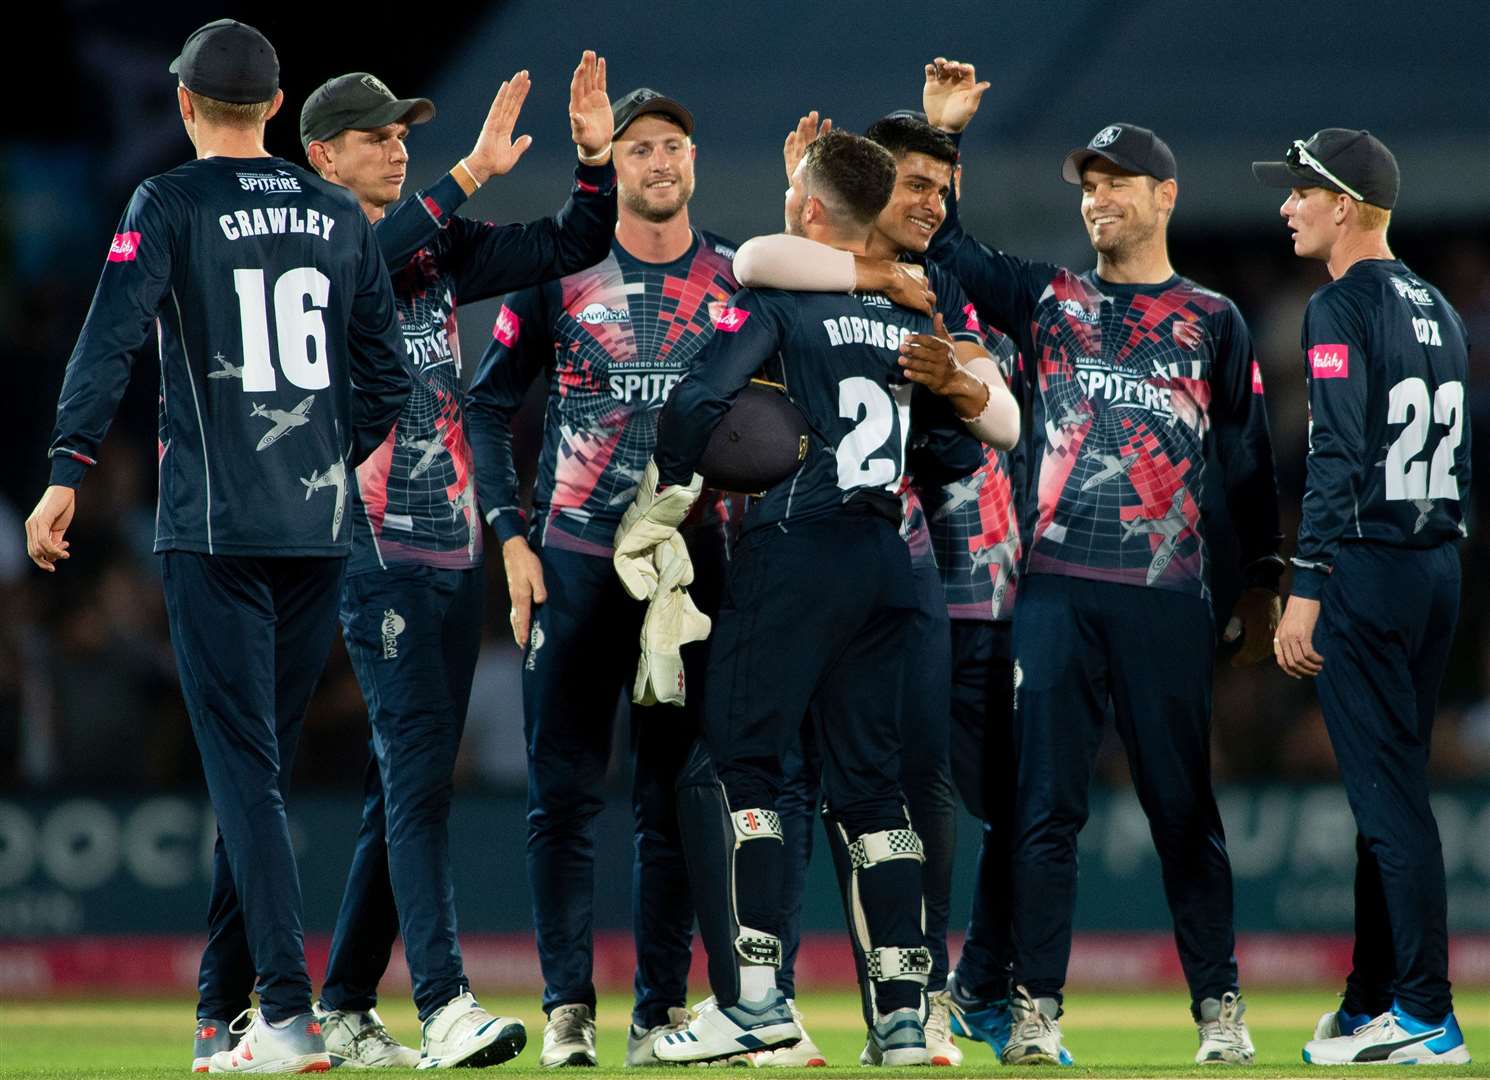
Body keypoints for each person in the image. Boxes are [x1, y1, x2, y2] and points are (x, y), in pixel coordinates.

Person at [22, 19, 411, 1075]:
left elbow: (107, 339)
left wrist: (66, 469)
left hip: (214, 532)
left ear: (188, 106)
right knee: (263, 770)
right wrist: (325, 459)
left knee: (244, 776)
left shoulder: (170, 202)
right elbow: (387, 382)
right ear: (279, 107)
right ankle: (219, 1009)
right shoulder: (336, 212)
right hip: (316, 528)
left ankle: (286, 1015)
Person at [922, 58, 1284, 1065]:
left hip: (1165, 597)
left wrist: (1262, 578)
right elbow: (944, 247)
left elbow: (1247, 461)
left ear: (1163, 195)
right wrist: (943, 133)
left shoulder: (1212, 319)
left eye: (1115, 182)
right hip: (1053, 595)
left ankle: (1218, 1010)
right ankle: (1034, 1013)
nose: (1096, 200)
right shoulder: (1044, 301)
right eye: (1086, 185)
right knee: (1040, 811)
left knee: (1181, 811)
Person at [619, 129, 983, 1068]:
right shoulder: (910, 320)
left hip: (795, 553)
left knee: (743, 768)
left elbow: (696, 399)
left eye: (794, 193)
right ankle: (903, 1019)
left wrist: (666, 495)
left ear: (811, 211)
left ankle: (751, 1003)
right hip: (885, 562)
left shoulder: (778, 304)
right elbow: (955, 454)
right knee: (874, 793)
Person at [298, 54, 617, 1068]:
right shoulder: (313, 244)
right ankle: (440, 1003)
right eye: (376, 135)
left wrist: (593, 160)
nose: (398, 146)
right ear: (320, 156)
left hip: (448, 548)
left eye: (404, 133)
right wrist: (469, 170)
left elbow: (574, 240)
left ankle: (345, 1003)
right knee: (419, 776)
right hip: (373, 546)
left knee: (403, 784)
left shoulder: (433, 249)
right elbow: (365, 257)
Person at [727, 109, 1018, 1068]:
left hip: (873, 557)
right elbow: (768, 252)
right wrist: (858, 259)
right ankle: (807, 1002)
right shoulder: (847, 276)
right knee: (831, 783)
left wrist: (965, 387)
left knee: (896, 783)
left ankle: (900, 997)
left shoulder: (933, 295)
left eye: (944, 190)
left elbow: (998, 417)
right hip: (872, 562)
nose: (933, 204)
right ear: (869, 194)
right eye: (917, 186)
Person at [463, 86, 740, 1068]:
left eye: (673, 144)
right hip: (575, 562)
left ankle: (658, 1011)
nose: (658, 161)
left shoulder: (737, 280)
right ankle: (566, 1009)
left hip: (690, 571)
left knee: (672, 797)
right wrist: (510, 539)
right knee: (563, 798)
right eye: (638, 148)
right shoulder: (558, 271)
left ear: (692, 162)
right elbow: (485, 406)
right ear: (611, 166)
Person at [1254, 129, 1473, 1067]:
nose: (1286, 206)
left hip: (1371, 568)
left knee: (1389, 802)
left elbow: (1338, 453)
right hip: (1435, 565)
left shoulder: (1340, 305)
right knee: (1386, 792)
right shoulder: (1440, 306)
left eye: (1302, 190)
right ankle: (1371, 998)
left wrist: (1308, 585)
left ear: (1346, 205)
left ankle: (1426, 1014)